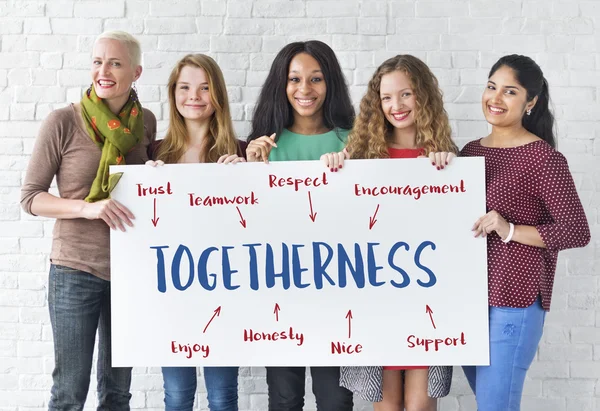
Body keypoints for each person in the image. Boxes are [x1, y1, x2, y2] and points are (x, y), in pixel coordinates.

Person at [20, 31, 156, 410]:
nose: (104, 71)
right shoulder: (63, 121)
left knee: (117, 393)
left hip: (130, 271)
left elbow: (147, 190)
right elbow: (31, 198)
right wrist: (87, 208)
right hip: (75, 269)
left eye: (115, 62)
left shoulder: (145, 122)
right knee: (69, 392)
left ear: (135, 71)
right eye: (97, 62)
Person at [321, 55, 454, 411]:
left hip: (427, 302)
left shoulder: (444, 159)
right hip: (378, 301)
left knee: (420, 407)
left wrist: (449, 175)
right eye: (387, 97)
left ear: (423, 96)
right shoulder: (361, 157)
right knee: (387, 406)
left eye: (406, 94)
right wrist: (335, 168)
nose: (396, 106)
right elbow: (336, 222)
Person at [459, 54, 590, 411]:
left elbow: (576, 230)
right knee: (490, 402)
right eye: (491, 87)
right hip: (468, 300)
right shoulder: (469, 153)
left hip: (514, 300)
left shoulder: (543, 159)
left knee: (495, 405)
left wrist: (509, 228)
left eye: (510, 91)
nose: (495, 98)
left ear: (530, 102)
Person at [246, 40, 355, 411]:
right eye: (295, 79)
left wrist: (353, 168)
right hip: (280, 294)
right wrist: (248, 172)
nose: (305, 90)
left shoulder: (352, 142)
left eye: (316, 79)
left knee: (336, 400)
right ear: (282, 84)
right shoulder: (264, 146)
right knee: (285, 399)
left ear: (331, 84)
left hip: (336, 295)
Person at [146, 54, 245, 411]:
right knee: (176, 396)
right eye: (185, 87)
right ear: (173, 94)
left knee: (222, 396)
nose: (195, 96)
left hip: (223, 294)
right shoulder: (154, 154)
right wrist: (146, 185)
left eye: (205, 88)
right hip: (171, 296)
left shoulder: (240, 152)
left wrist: (249, 175)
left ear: (217, 95)